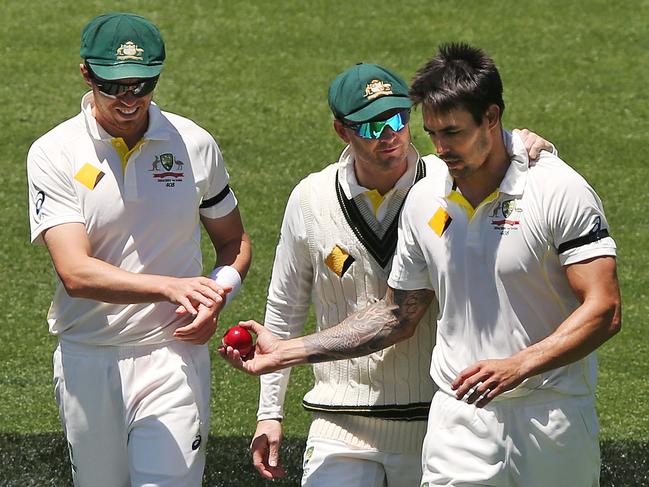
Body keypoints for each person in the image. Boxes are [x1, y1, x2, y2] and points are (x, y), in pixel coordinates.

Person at [223, 43, 621, 487]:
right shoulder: (425, 199)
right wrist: (286, 353)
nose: (440, 148)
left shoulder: (558, 189)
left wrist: (518, 366)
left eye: (451, 132)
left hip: (552, 412)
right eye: (433, 134)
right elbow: (397, 315)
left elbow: (605, 309)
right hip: (460, 417)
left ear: (491, 118)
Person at [27, 13, 251, 487]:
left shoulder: (193, 144)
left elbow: (234, 242)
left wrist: (216, 296)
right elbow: (76, 273)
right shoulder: (54, 152)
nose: (130, 100)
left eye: (143, 84)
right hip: (87, 355)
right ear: (86, 73)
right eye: (114, 87)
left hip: (171, 354)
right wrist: (171, 288)